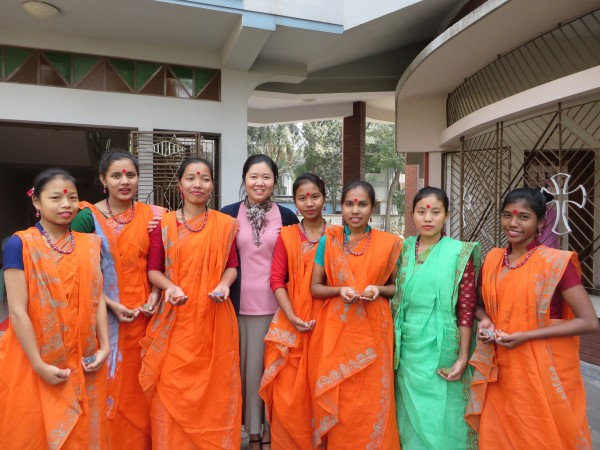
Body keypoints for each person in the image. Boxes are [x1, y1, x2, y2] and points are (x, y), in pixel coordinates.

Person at [466, 187, 598, 449]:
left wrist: (526, 335)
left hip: (544, 372)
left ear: (540, 222)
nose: (513, 223)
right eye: (507, 215)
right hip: (501, 372)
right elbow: (479, 306)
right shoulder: (493, 259)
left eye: (523, 217)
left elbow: (589, 321)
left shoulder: (556, 263)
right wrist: (485, 321)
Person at [0, 168, 110, 449]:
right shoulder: (19, 244)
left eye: (72, 197)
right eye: (56, 198)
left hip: (82, 359)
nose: (66, 205)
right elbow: (17, 311)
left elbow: (95, 298)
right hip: (33, 358)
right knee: (34, 430)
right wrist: (39, 364)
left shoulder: (89, 244)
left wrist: (104, 347)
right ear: (36, 202)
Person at [139, 157, 241, 448]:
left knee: (214, 394)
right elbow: (153, 270)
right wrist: (170, 287)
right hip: (174, 323)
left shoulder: (225, 225)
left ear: (212, 185)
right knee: (168, 390)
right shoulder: (165, 224)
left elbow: (231, 265)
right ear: (180, 184)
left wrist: (223, 285)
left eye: (205, 179)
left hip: (214, 321)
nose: (198, 184)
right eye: (191, 178)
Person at [70, 150, 166, 449]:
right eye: (116, 175)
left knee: (142, 388)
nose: (124, 181)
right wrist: (111, 304)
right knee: (109, 384)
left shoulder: (155, 216)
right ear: (103, 179)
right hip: (103, 317)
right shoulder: (87, 218)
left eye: (130, 175)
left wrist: (155, 295)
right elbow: (79, 271)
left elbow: (162, 264)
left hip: (146, 318)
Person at [309, 180, 402, 449]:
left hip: (376, 327)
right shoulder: (331, 240)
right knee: (344, 396)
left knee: (373, 396)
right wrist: (339, 291)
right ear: (341, 207)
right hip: (338, 331)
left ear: (373, 208)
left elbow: (397, 288)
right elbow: (315, 287)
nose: (355, 210)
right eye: (349, 204)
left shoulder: (389, 243)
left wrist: (378, 289)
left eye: (362, 204)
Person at [391, 186, 481, 450]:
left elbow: (466, 307)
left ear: (446, 215)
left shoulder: (459, 252)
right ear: (412, 215)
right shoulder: (402, 249)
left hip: (445, 346)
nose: (428, 218)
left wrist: (463, 356)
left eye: (435, 212)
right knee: (408, 414)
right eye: (421, 212)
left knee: (445, 412)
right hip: (406, 347)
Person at [221, 154, 299, 449]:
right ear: (244, 180)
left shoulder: (288, 216)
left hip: (278, 306)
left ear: (275, 182)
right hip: (239, 307)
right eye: (254, 176)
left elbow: (298, 258)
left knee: (276, 371)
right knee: (248, 373)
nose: (259, 182)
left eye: (266, 177)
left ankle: (272, 431)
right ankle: (253, 432)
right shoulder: (227, 214)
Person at [259, 173, 329, 450]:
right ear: (295, 202)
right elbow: (277, 280)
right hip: (292, 322)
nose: (309, 203)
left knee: (322, 388)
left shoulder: (338, 235)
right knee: (289, 394)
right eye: (302, 198)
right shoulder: (287, 236)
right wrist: (292, 317)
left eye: (315, 196)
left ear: (325, 197)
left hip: (329, 323)